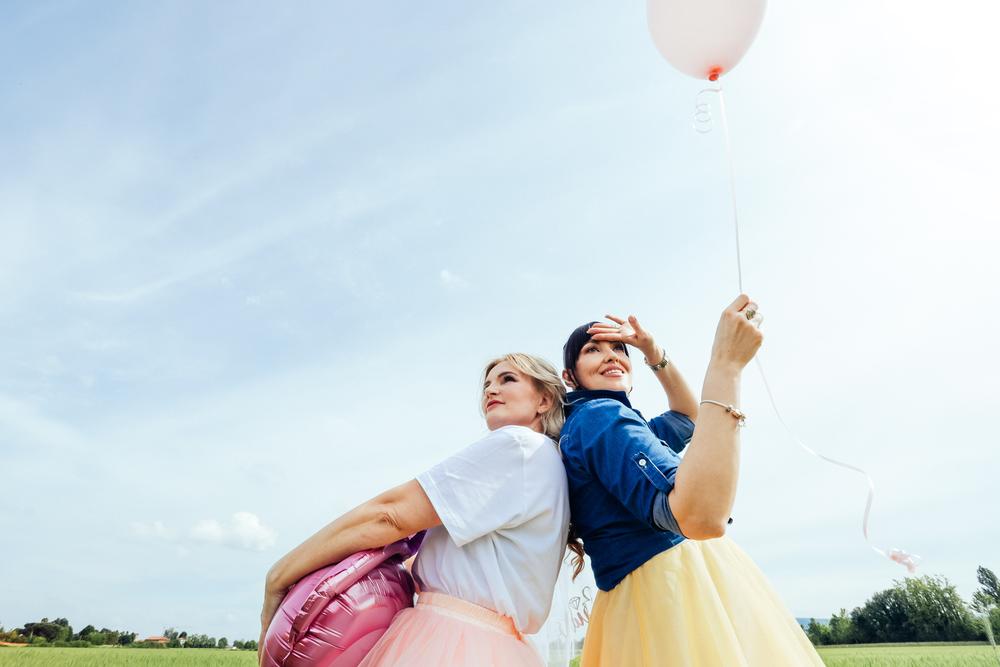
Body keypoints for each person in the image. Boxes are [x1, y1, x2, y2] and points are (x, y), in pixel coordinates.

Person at [259, 353, 571, 666]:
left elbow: (389, 515)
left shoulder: (518, 445)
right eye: (487, 384)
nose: (490, 390)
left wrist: (279, 577)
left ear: (544, 400)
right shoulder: (546, 461)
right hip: (496, 646)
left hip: (449, 642)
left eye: (508, 379)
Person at [559, 296, 824, 666]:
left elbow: (689, 417)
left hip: (654, 590)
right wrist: (726, 364)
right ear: (569, 377)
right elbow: (696, 517)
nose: (611, 356)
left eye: (619, 349)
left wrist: (653, 353)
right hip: (668, 591)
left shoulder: (619, 424)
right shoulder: (601, 417)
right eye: (593, 349)